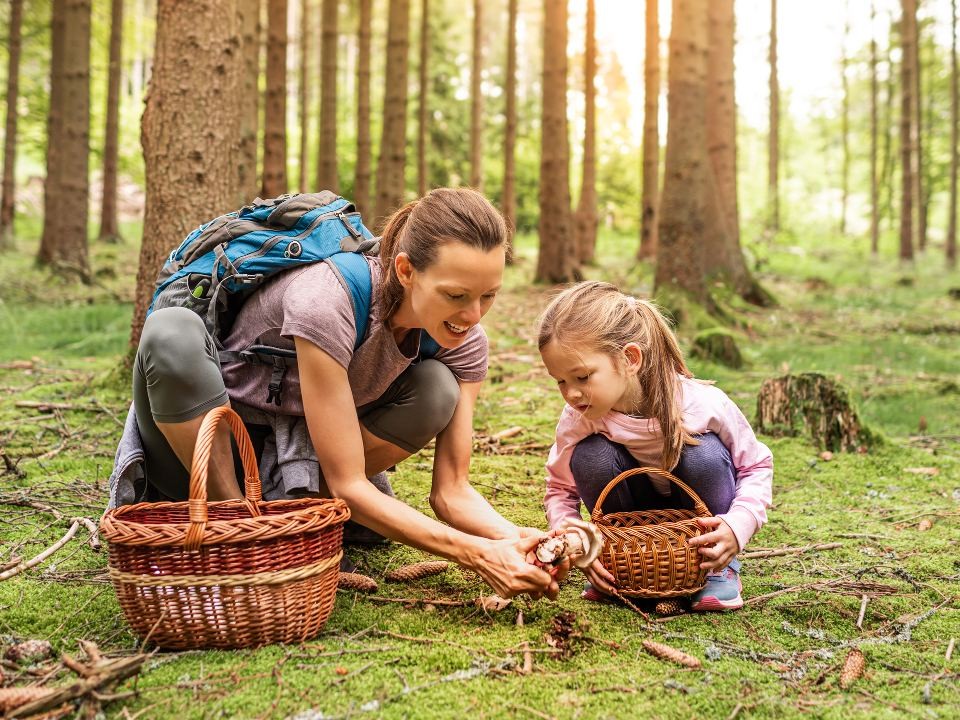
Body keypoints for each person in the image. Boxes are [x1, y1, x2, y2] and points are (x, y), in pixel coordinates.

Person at [125, 187, 561, 600]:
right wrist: (476, 554)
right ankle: (239, 530)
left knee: (436, 387)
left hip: (305, 476)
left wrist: (519, 539)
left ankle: (300, 521)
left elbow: (452, 491)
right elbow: (350, 484)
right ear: (406, 271)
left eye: (488, 296)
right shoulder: (327, 298)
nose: (472, 315)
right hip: (203, 462)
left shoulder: (465, 339)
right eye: (456, 295)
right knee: (171, 332)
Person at [536, 281, 772, 611]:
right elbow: (560, 489)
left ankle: (718, 567)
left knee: (702, 452)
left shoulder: (699, 404)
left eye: (582, 377)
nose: (571, 393)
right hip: (629, 528)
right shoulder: (580, 417)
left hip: (697, 524)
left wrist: (738, 527)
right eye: (560, 380)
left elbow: (756, 465)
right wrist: (577, 544)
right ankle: (621, 569)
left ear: (630, 358)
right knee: (591, 455)